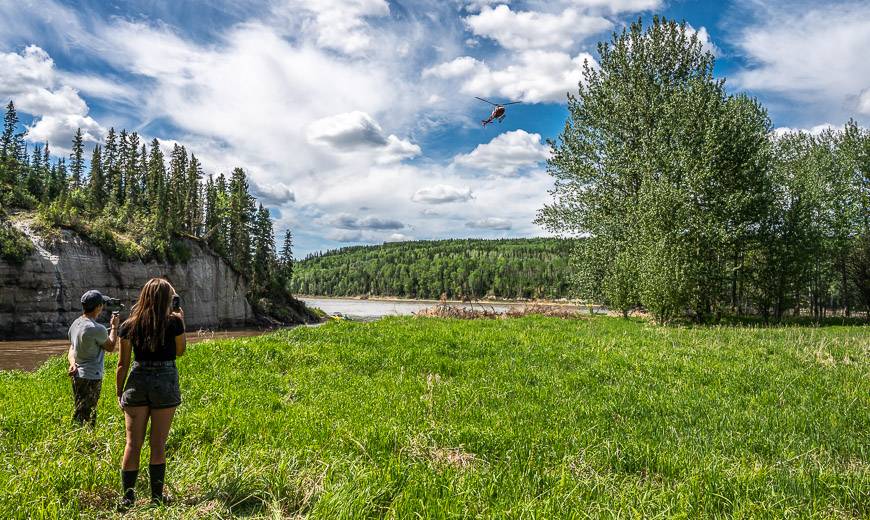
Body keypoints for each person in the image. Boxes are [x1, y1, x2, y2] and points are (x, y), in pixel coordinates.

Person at [115, 278, 186, 507]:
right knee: (158, 445)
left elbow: (122, 364)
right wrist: (180, 319)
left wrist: (119, 392)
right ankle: (156, 498)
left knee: (132, 444)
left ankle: (128, 498)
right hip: (165, 381)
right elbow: (181, 351)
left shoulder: (128, 325)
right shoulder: (174, 322)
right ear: (167, 299)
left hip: (138, 380)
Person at [68, 290, 120, 427]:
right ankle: (83, 440)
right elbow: (110, 347)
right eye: (102, 304)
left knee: (80, 408)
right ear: (98, 307)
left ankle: (77, 436)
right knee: (89, 413)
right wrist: (114, 327)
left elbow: (72, 348)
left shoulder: (75, 324)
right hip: (91, 376)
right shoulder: (97, 328)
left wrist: (72, 363)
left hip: (77, 374)